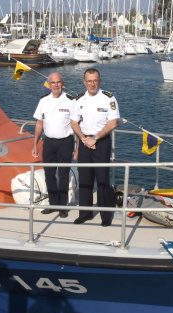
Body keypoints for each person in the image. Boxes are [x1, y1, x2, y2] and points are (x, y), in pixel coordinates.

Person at [70, 68, 120, 226]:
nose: (92, 84)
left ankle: (106, 216)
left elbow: (113, 122)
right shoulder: (79, 100)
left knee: (102, 179)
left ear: (100, 81)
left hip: (101, 142)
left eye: (95, 80)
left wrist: (95, 138)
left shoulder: (108, 98)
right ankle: (85, 214)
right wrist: (83, 139)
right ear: (84, 82)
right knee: (85, 178)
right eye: (89, 81)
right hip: (84, 142)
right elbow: (73, 122)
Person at [32, 72, 75, 218]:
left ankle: (62, 206)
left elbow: (77, 124)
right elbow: (39, 123)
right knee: (49, 174)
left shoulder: (70, 101)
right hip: (49, 142)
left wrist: (79, 146)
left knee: (63, 174)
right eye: (53, 83)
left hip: (65, 142)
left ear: (62, 83)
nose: (55, 85)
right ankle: (52, 203)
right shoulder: (43, 101)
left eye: (58, 82)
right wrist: (35, 144)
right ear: (49, 85)